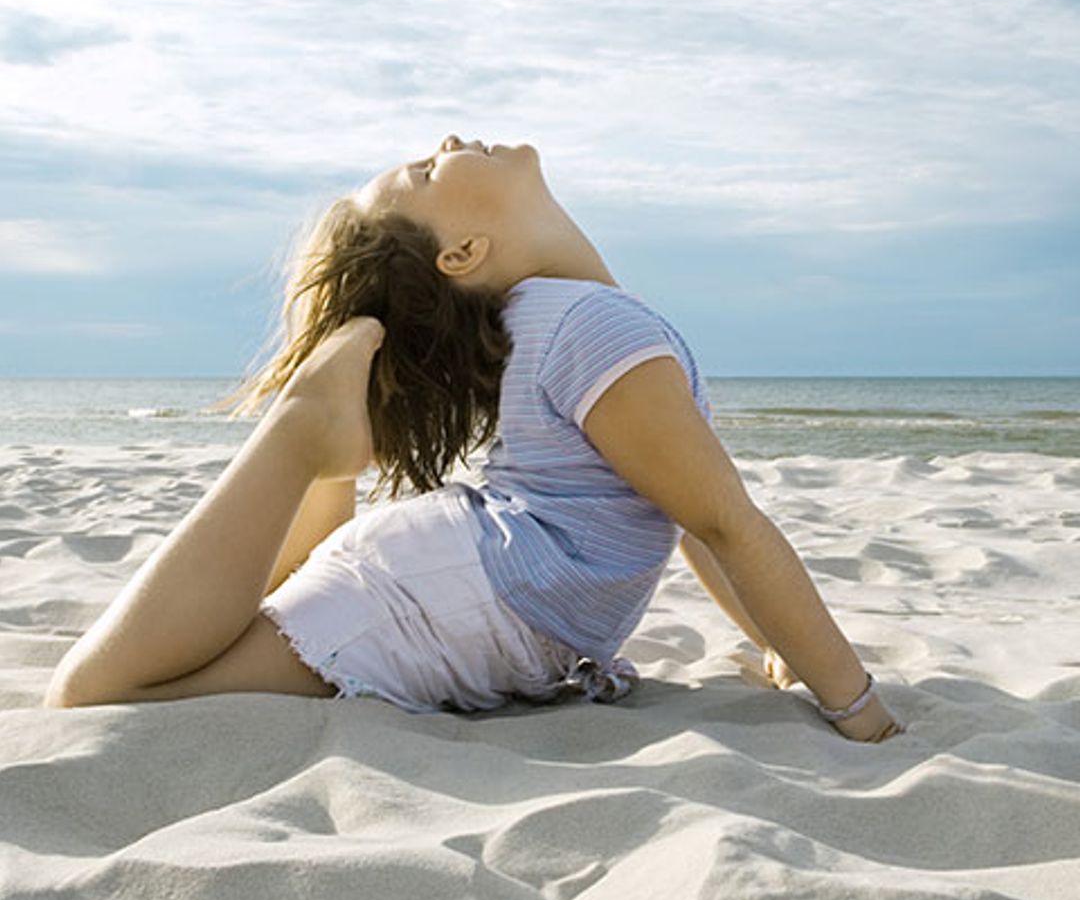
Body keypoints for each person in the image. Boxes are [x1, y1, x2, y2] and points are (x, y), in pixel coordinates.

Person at [42, 135, 905, 743]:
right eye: (425, 167)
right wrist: (854, 707)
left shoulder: (555, 322)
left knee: (200, 643)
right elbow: (727, 523)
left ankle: (319, 454)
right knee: (97, 696)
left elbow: (687, 516)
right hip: (456, 598)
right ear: (462, 251)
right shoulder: (591, 325)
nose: (450, 137)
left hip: (463, 585)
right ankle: (304, 432)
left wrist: (776, 647)